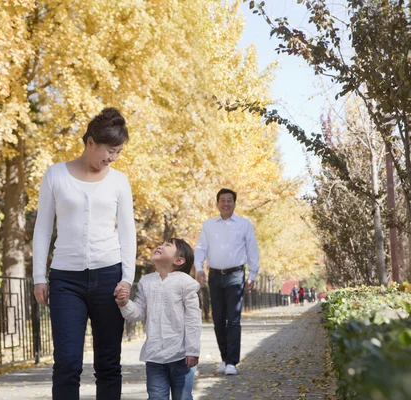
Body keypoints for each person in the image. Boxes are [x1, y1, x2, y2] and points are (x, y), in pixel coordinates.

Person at [32, 108, 137, 400]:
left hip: (109, 278)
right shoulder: (55, 175)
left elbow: (128, 233)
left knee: (108, 364)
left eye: (118, 152)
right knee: (66, 363)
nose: (112, 158)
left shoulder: (119, 181)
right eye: (109, 150)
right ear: (90, 143)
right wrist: (39, 276)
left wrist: (126, 279)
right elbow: (42, 228)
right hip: (66, 281)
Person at [116, 239, 201, 400]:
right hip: (155, 356)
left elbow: (193, 318)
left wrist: (193, 349)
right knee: (156, 397)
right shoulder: (146, 282)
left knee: (182, 397)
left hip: (181, 356)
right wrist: (125, 303)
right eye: (160, 244)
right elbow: (138, 313)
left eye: (167, 245)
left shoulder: (186, 283)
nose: (160, 246)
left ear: (179, 260)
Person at [195, 189, 260, 376]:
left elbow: (252, 249)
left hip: (235, 276)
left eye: (229, 200)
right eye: (222, 200)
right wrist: (199, 268)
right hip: (215, 276)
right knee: (218, 319)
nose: (226, 203)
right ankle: (224, 358)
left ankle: (232, 361)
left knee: (233, 319)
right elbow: (201, 248)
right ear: (217, 203)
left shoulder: (244, 224)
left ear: (234, 203)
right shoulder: (208, 225)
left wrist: (253, 275)